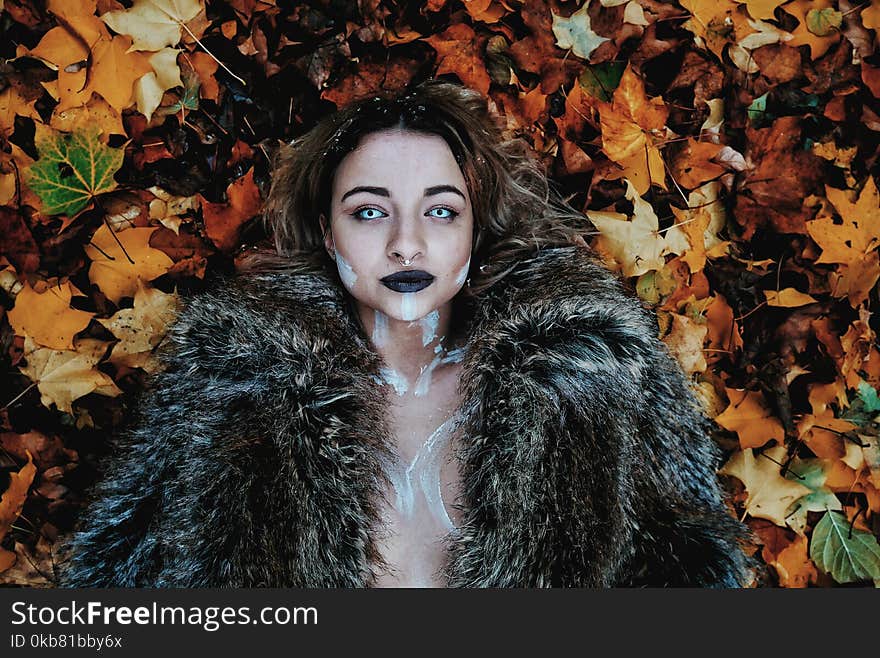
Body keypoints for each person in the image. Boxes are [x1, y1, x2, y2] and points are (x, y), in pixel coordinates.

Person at [58, 78, 757, 587]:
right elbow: (116, 582)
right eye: (368, 212)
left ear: (477, 230)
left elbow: (694, 574)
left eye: (442, 212)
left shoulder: (590, 371)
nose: (406, 244)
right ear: (326, 234)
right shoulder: (236, 381)